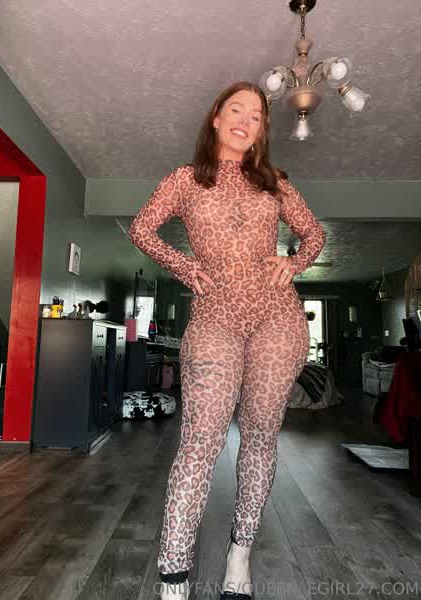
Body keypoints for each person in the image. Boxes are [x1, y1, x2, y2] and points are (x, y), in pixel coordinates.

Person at [128, 81, 326, 600]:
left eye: (256, 116)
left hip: (277, 317)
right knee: (200, 440)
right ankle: (174, 576)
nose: (245, 120)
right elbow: (142, 229)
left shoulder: (275, 183)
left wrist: (294, 262)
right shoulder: (185, 180)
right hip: (215, 315)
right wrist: (183, 265)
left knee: (260, 433)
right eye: (236, 109)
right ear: (216, 118)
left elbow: (314, 234)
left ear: (261, 132)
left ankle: (240, 554)